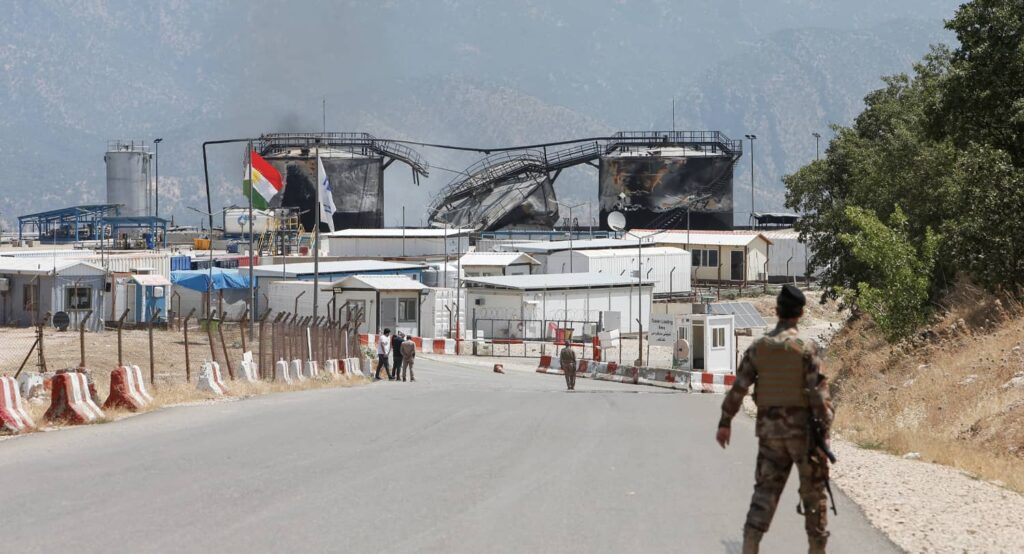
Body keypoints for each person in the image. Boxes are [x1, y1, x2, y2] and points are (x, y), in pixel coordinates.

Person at [716, 284, 834, 554]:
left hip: (771, 437)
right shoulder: (807, 350)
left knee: (763, 500)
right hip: (804, 438)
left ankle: (749, 548)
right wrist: (824, 435)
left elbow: (739, 388)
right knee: (814, 503)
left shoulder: (759, 349)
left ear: (778, 310)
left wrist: (725, 422)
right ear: (801, 313)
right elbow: (819, 397)